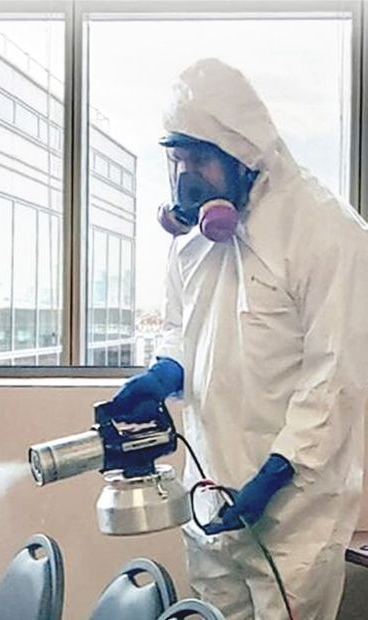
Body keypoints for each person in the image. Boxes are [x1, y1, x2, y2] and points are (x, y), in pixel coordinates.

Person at [110, 58, 368, 619]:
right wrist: (163, 375)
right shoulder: (192, 239)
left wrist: (277, 473)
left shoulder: (327, 233)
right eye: (176, 160)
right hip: (210, 495)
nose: (186, 179)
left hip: (294, 515)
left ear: (244, 154)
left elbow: (336, 378)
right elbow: (181, 330)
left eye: (200, 158)